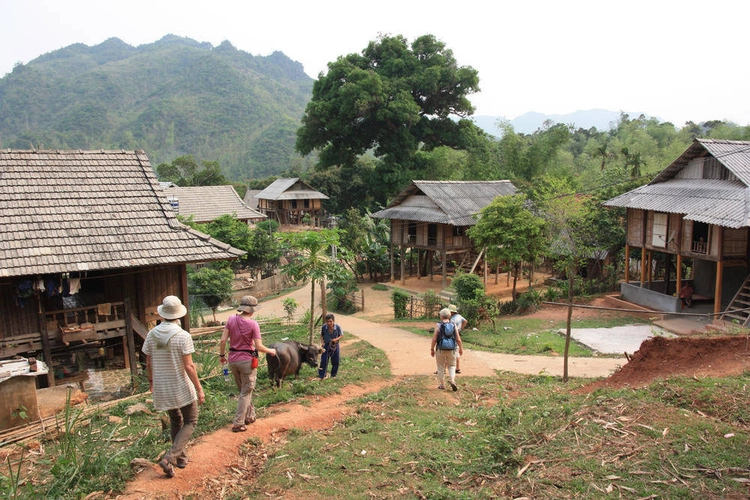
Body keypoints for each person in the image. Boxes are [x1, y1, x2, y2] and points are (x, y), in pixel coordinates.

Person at [142, 295, 205, 478]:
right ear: (178, 315)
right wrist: (199, 388)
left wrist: (151, 382)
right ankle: (170, 457)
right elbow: (189, 366)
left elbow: (148, 361)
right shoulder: (183, 336)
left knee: (176, 420)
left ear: (162, 314)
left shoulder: (152, 334)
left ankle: (180, 458)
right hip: (180, 385)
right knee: (191, 420)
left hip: (163, 386)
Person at [218, 295, 277, 432]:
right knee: (246, 391)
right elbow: (259, 347)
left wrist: (222, 356)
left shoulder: (231, 319)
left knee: (244, 390)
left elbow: (222, 341)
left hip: (232, 359)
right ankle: (238, 422)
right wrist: (271, 351)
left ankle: (249, 416)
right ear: (252, 310)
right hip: (247, 361)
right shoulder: (253, 324)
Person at [431, 307, 463, 391]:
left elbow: (434, 339)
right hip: (452, 349)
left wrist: (432, 349)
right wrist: (461, 348)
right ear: (449, 316)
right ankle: (452, 380)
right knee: (452, 365)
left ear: (441, 316)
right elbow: (458, 339)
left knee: (440, 366)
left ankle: (442, 384)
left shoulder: (438, 325)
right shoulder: (453, 325)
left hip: (440, 349)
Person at [319, 313, 343, 379]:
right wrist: (322, 342)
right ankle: (322, 375)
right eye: (327, 321)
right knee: (324, 360)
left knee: (335, 361)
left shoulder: (337, 327)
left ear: (333, 321)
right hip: (326, 345)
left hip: (335, 346)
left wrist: (336, 339)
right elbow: (321, 335)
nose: (329, 323)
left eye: (330, 321)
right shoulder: (324, 327)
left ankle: (333, 375)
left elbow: (341, 335)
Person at [448, 304, 468, 374]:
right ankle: (458, 368)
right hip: (458, 333)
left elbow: (450, 328)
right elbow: (465, 321)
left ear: (452, 312)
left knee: (447, 350)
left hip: (453, 334)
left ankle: (444, 369)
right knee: (456, 351)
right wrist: (461, 328)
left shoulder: (452, 319)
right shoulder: (459, 316)